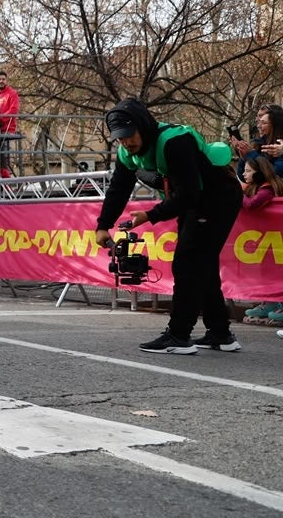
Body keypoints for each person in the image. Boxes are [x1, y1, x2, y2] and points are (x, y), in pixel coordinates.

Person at [95, 98, 243, 354]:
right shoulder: (127, 153)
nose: (126, 142)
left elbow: (189, 194)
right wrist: (103, 225)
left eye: (130, 135)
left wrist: (150, 215)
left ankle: (178, 336)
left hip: (217, 198)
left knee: (187, 264)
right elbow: (118, 189)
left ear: (143, 126)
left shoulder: (174, 142)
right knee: (202, 265)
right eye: (120, 138)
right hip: (193, 202)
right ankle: (220, 334)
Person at [238, 155, 283, 327]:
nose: (244, 174)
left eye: (248, 171)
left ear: (259, 173)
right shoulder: (256, 187)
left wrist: (239, 192)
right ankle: (269, 302)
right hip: (267, 238)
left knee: (277, 272)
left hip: (275, 238)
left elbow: (251, 205)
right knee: (268, 271)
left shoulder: (267, 189)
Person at [0, 70, 22, 177]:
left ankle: (5, 179)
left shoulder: (12, 93)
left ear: (6, 80)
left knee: (2, 157)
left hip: (5, 130)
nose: (1, 81)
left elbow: (13, 110)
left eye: (3, 79)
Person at [233, 104, 283, 180]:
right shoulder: (258, 142)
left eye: (263, 122)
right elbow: (245, 177)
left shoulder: (279, 146)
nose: (258, 124)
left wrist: (252, 155)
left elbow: (274, 173)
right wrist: (244, 158)